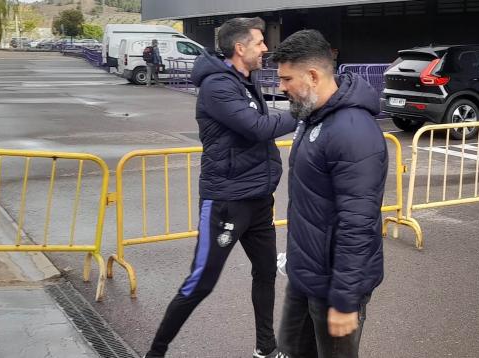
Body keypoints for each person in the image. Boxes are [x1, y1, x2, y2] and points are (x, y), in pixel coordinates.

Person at [144, 17, 297, 358]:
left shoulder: (243, 80)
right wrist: (302, 112)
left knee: (266, 271)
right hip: (227, 200)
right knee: (202, 282)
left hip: (257, 198)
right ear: (240, 48)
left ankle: (265, 348)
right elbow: (256, 128)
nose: (265, 49)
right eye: (259, 43)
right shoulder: (218, 86)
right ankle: (155, 352)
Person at [272, 29, 388, 358]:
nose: (281, 87)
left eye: (286, 78)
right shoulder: (313, 117)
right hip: (305, 273)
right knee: (289, 352)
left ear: (312, 75)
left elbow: (358, 222)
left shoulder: (352, 131)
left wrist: (344, 299)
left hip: (335, 286)